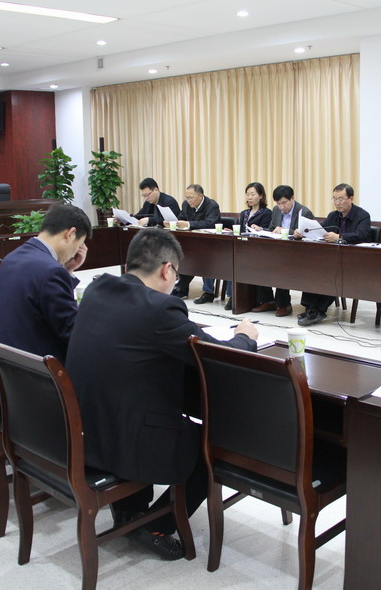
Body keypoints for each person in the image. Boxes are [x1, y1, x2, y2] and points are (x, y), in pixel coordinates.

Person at [65, 228, 258, 560]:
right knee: (212, 444)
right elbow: (218, 358)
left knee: (139, 405)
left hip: (86, 433)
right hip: (125, 441)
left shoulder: (97, 289)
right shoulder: (161, 308)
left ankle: (129, 511)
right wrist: (245, 336)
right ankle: (155, 525)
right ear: (168, 269)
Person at [0, 204, 91, 363]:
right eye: (79, 245)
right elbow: (72, 332)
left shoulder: (11, 258)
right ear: (70, 234)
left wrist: (67, 270)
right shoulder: (50, 271)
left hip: (10, 364)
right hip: (42, 367)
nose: (76, 252)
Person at [297, 184, 372, 326]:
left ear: (351, 198)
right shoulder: (333, 215)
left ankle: (318, 310)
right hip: (334, 258)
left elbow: (361, 235)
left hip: (355, 260)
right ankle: (310, 308)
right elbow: (321, 230)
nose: (337, 203)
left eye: (341, 199)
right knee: (313, 267)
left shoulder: (362, 215)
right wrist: (303, 231)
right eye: (335, 199)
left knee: (332, 272)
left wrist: (340, 236)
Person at [248, 185, 315, 317]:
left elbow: (310, 235)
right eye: (278, 203)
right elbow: (273, 228)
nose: (281, 207)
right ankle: (268, 301)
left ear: (292, 198)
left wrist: (287, 231)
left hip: (299, 253)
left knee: (281, 265)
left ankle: (284, 304)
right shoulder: (276, 210)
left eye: (284, 203)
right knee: (257, 261)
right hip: (278, 250)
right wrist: (261, 229)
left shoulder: (304, 212)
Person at [220, 182, 274, 311]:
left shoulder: (267, 213)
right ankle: (233, 296)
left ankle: (265, 300)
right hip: (242, 249)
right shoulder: (244, 213)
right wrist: (231, 231)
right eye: (248, 194)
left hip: (259, 249)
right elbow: (241, 232)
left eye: (253, 194)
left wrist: (260, 229)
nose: (249, 197)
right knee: (231, 260)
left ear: (261, 196)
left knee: (251, 263)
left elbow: (267, 233)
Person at [169, 184, 220, 301]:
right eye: (186, 197)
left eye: (190, 197)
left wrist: (188, 224)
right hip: (192, 242)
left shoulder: (212, 205)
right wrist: (175, 223)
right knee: (181, 253)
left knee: (205, 257)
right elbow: (181, 218)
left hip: (210, 243)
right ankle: (182, 289)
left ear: (200, 196)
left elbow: (210, 223)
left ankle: (208, 292)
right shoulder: (186, 205)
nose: (188, 200)